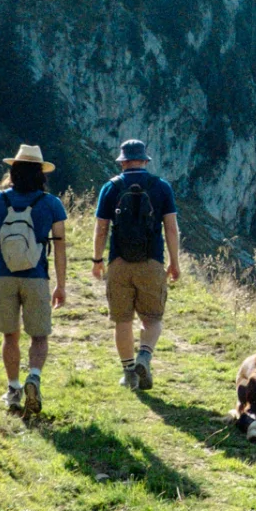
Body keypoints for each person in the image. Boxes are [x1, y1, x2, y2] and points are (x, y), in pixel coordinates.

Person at [0, 145, 68, 414]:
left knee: (10, 335)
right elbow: (60, 247)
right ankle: (34, 377)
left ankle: (14, 389)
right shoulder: (51, 204)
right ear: (41, 173)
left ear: (13, 171)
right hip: (36, 278)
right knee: (39, 336)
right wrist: (61, 285)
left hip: (4, 276)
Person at [93, 139, 180, 390]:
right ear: (144, 160)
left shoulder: (110, 187)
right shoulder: (161, 187)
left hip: (119, 262)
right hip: (152, 262)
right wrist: (174, 262)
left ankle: (129, 373)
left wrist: (97, 260)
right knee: (152, 319)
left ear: (123, 162)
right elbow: (171, 228)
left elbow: (101, 228)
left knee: (122, 320)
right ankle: (144, 355)